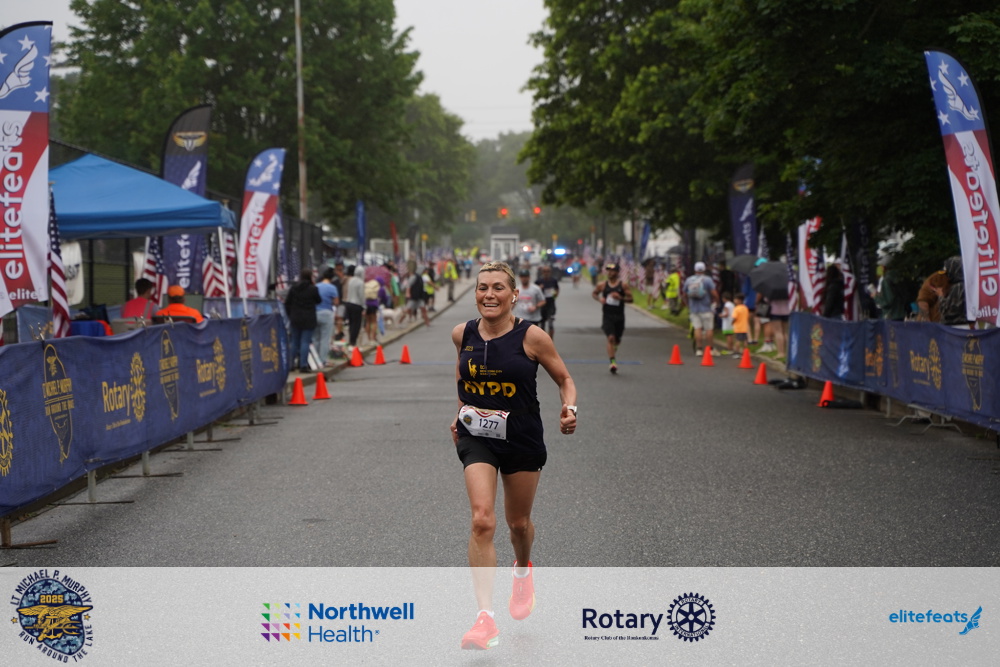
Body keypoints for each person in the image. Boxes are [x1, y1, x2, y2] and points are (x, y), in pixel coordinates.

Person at [450, 261, 577, 651]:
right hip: (477, 435)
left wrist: (570, 408)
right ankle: (484, 619)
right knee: (482, 520)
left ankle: (522, 570)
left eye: (498, 288)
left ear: (514, 294)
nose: (489, 294)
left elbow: (565, 379)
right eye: (482, 287)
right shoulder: (462, 333)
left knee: (518, 524)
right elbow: (463, 376)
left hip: (521, 435)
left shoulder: (532, 336)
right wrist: (460, 411)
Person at [592, 262, 633, 373]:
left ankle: (614, 348)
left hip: (619, 316)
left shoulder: (623, 285)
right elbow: (594, 293)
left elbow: (631, 299)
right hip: (607, 316)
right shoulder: (602, 285)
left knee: (617, 340)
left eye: (612, 270)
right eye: (608, 270)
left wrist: (620, 298)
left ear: (617, 272)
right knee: (610, 338)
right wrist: (600, 299)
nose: (610, 273)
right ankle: (613, 362)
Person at [284, 269, 320, 372]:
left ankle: (290, 364)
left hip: (295, 318)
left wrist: (290, 315)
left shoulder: (293, 288)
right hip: (308, 318)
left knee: (294, 341)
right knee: (305, 342)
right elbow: (318, 300)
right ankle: (303, 365)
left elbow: (287, 303)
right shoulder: (313, 289)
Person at [680, 261, 719, 356]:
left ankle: (699, 349)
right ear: (704, 269)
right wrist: (717, 301)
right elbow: (714, 293)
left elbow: (684, 294)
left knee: (697, 329)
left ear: (695, 270)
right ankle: (710, 349)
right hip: (706, 308)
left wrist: (687, 303)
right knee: (709, 329)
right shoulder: (708, 280)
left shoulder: (689, 280)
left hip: (694, 309)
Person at [315, 267, 339, 365]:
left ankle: (315, 360)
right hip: (327, 313)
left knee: (316, 338)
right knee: (325, 338)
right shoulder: (332, 288)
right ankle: (323, 360)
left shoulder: (316, 286)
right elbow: (336, 302)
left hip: (315, 313)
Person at [343, 265, 366, 348]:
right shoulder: (360, 282)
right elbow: (361, 295)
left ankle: (351, 341)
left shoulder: (351, 280)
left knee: (351, 323)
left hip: (349, 303)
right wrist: (364, 306)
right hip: (357, 304)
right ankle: (353, 342)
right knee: (356, 324)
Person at [535, 264, 560, 339]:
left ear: (550, 272)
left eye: (548, 271)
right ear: (542, 272)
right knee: (542, 325)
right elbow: (534, 291)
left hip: (551, 304)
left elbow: (557, 289)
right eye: (544, 271)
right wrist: (539, 288)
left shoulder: (553, 280)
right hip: (542, 305)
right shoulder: (538, 281)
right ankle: (544, 341)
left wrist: (555, 295)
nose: (546, 273)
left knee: (550, 324)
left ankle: (551, 341)